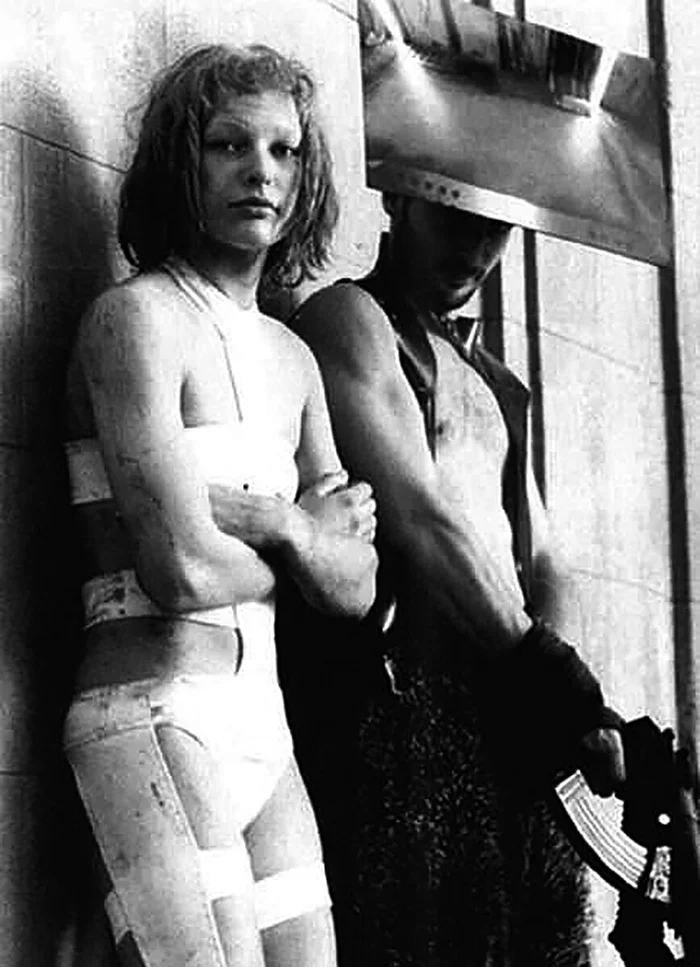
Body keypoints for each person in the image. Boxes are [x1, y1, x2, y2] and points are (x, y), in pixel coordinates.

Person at [62, 43, 377, 967]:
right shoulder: (135, 318)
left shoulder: (294, 359)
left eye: (283, 150)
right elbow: (179, 569)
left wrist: (276, 521)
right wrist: (307, 543)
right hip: (153, 712)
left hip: (263, 734)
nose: (261, 172)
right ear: (181, 163)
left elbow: (357, 585)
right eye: (229, 145)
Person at [284, 192, 626, 966]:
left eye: (496, 228)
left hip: (506, 717)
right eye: (456, 218)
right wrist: (550, 671)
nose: (475, 249)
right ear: (401, 196)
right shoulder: (350, 319)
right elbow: (419, 517)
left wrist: (562, 698)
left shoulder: (494, 377)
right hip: (400, 716)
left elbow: (542, 558)